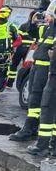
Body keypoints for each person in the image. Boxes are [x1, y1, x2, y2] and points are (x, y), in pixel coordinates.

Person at [10, 12, 54, 142]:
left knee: (39, 100)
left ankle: (30, 130)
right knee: (33, 99)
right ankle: (30, 128)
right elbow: (34, 31)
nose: (46, 18)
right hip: (36, 67)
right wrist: (33, 22)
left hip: (46, 69)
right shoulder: (47, 28)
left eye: (49, 15)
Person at [7, 10, 41, 86]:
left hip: (21, 48)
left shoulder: (23, 26)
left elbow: (17, 37)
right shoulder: (39, 28)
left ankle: (10, 82)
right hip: (30, 49)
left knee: (14, 65)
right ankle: (22, 83)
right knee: (26, 66)